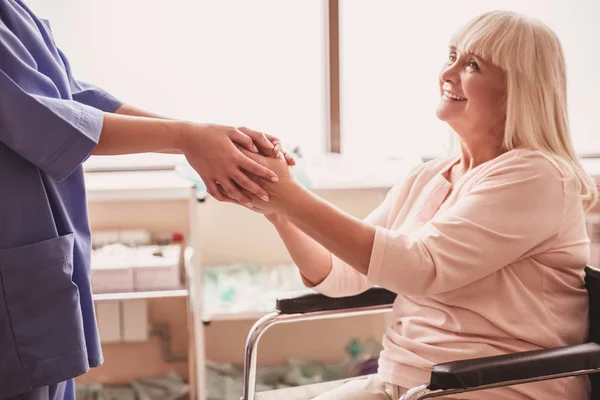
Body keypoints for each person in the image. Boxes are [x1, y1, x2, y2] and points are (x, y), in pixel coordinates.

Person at [226, 10, 599, 400]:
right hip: (409, 383)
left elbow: (419, 268)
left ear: (516, 91)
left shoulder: (537, 176)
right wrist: (279, 211)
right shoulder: (429, 176)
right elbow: (342, 277)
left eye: (472, 64)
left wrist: (293, 197)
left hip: (495, 386)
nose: (448, 73)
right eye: (451, 56)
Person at [0, 1, 295, 399]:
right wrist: (191, 139)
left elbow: (73, 97)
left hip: (33, 266)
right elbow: (45, 118)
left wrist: (205, 140)